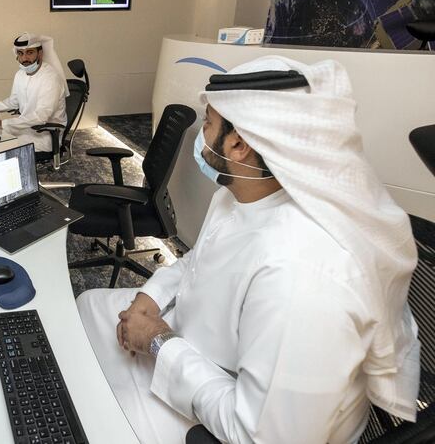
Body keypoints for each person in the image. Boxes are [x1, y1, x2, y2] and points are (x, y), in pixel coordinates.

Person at [77, 56, 420, 444]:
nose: (200, 135)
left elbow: (260, 434)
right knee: (89, 305)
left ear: (237, 145)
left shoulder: (301, 276)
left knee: (89, 417)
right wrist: (150, 296)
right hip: (200, 348)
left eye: (206, 125)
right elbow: (198, 259)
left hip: (226, 413)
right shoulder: (243, 192)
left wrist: (158, 342)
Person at [0, 32, 68, 153]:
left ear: (40, 53)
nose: (24, 58)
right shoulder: (20, 74)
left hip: (45, 135)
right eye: (20, 53)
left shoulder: (50, 78)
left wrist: (3, 123)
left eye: (30, 52)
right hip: (26, 128)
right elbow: (12, 102)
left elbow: (41, 116)